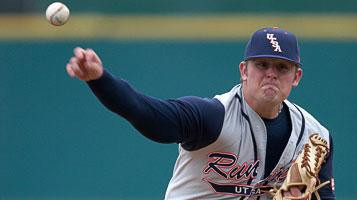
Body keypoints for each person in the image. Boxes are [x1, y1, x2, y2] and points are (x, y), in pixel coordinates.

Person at [66, 27, 335, 200]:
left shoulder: (314, 137)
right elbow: (148, 114)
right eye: (262, 64)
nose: (271, 73)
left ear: (296, 76)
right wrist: (100, 79)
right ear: (244, 71)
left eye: (282, 67)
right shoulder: (213, 116)